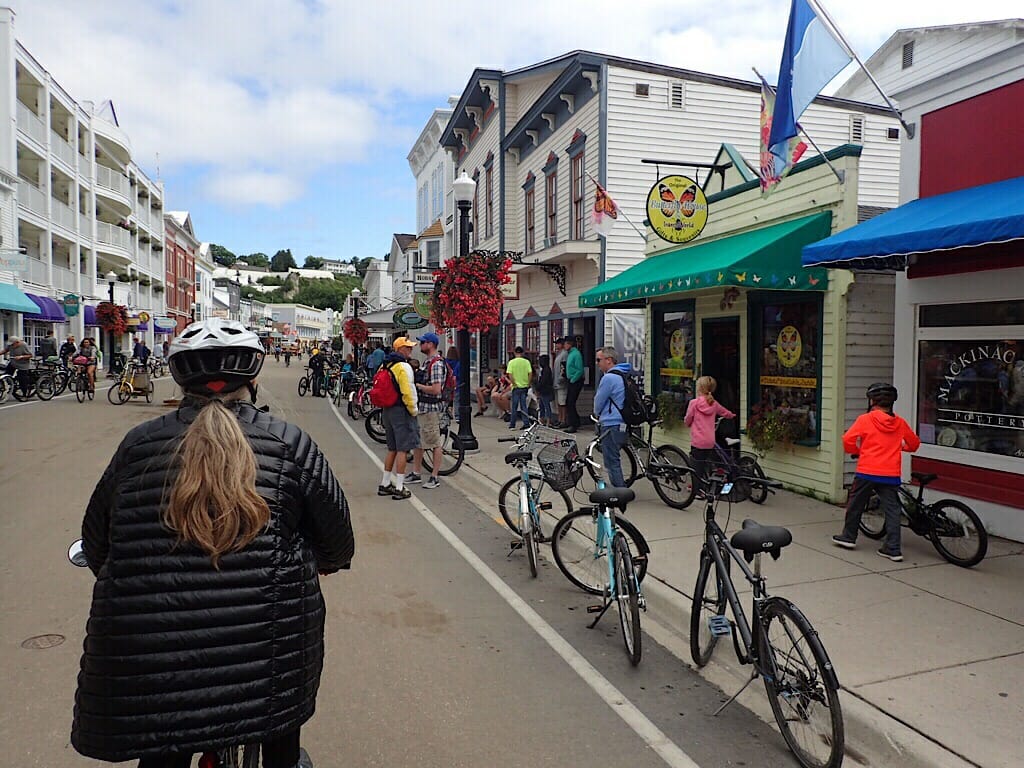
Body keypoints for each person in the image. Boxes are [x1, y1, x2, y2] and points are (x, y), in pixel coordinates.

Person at [71, 318, 353, 768]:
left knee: (163, 742)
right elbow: (338, 543)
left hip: (158, 655)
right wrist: (322, 561)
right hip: (267, 651)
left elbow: (97, 542)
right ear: (253, 378)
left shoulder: (139, 444)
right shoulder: (288, 442)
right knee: (278, 730)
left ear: (181, 379)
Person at [833, 383, 921, 562]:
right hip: (890, 473)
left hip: (867, 471)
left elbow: (848, 439)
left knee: (856, 504)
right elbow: (914, 444)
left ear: (872, 400)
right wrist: (899, 447)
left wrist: (856, 450)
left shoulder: (865, 419)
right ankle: (893, 548)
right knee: (892, 510)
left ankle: (849, 537)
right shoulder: (900, 423)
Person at [378, 337, 419, 500]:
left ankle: (385, 482)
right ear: (400, 349)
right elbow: (408, 391)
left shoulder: (385, 365)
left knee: (392, 448)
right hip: (401, 410)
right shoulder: (403, 367)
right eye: (408, 348)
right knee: (403, 449)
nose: (410, 350)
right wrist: (413, 409)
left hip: (387, 409)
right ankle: (400, 486)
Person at [593, 347, 636, 489]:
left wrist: (596, 413)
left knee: (612, 460)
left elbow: (599, 401)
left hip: (611, 422)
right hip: (622, 421)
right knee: (614, 456)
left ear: (609, 360)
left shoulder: (609, 378)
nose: (597, 363)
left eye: (599, 360)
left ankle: (620, 492)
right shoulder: (623, 375)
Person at [684, 376, 735, 495]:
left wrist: (688, 423)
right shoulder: (713, 403)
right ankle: (720, 486)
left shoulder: (694, 403)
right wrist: (732, 415)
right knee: (713, 462)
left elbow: (688, 419)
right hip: (710, 441)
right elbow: (724, 412)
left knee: (696, 468)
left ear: (699, 388)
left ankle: (697, 491)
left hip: (698, 442)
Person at [408, 332, 446, 490]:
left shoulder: (436, 364)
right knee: (419, 442)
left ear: (430, 344)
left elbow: (437, 389)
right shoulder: (428, 362)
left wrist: (418, 386)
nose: (421, 345)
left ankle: (434, 476)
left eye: (423, 342)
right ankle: (416, 472)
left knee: (434, 443)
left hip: (430, 409)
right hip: (422, 408)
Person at [506, 346, 533, 430]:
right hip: (524, 386)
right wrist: (528, 383)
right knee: (523, 406)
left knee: (514, 406)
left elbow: (509, 374)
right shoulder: (526, 362)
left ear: (514, 353)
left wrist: (514, 383)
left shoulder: (511, 362)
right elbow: (530, 373)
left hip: (516, 387)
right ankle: (526, 423)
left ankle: (512, 424)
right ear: (522, 353)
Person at [564, 337, 585, 433]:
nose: (564, 346)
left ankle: (573, 424)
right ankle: (575, 421)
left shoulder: (576, 354)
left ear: (569, 344)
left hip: (575, 381)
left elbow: (580, 369)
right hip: (570, 379)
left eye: (565, 344)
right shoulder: (570, 354)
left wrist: (573, 379)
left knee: (570, 402)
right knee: (569, 402)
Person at [533, 353, 554, 426]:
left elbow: (543, 381)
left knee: (546, 406)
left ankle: (548, 420)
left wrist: (537, 387)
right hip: (542, 391)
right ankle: (542, 419)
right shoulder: (544, 370)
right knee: (541, 406)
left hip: (545, 391)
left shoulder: (546, 370)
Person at [552, 338, 569, 428]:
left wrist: (560, 379)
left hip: (561, 383)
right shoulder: (559, 354)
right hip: (556, 383)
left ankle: (563, 420)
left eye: (558, 344)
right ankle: (559, 418)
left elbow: (564, 368)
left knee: (562, 403)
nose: (556, 345)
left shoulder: (564, 354)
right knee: (559, 402)